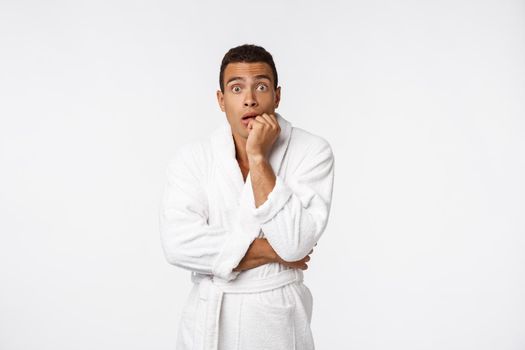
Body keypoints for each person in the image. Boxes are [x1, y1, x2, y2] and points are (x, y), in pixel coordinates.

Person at [159, 43, 335, 350]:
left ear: (277, 96)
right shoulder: (193, 159)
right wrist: (269, 251)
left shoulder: (311, 151)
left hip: (275, 323)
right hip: (206, 323)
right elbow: (177, 244)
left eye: (261, 86)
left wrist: (258, 159)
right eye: (236, 88)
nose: (250, 100)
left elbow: (294, 243)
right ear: (221, 100)